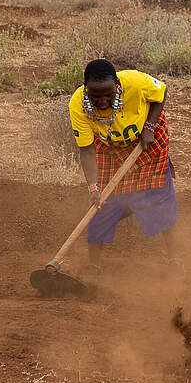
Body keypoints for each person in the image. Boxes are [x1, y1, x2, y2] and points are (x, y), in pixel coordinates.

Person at [68, 60, 178, 268]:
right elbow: (87, 150)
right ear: (85, 91)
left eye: (108, 94)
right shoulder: (77, 106)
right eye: (95, 96)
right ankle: (94, 266)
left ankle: (173, 260)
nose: (102, 101)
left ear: (117, 86)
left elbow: (161, 93)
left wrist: (150, 127)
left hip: (147, 143)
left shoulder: (136, 82)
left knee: (160, 198)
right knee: (100, 206)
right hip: (109, 150)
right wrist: (93, 187)